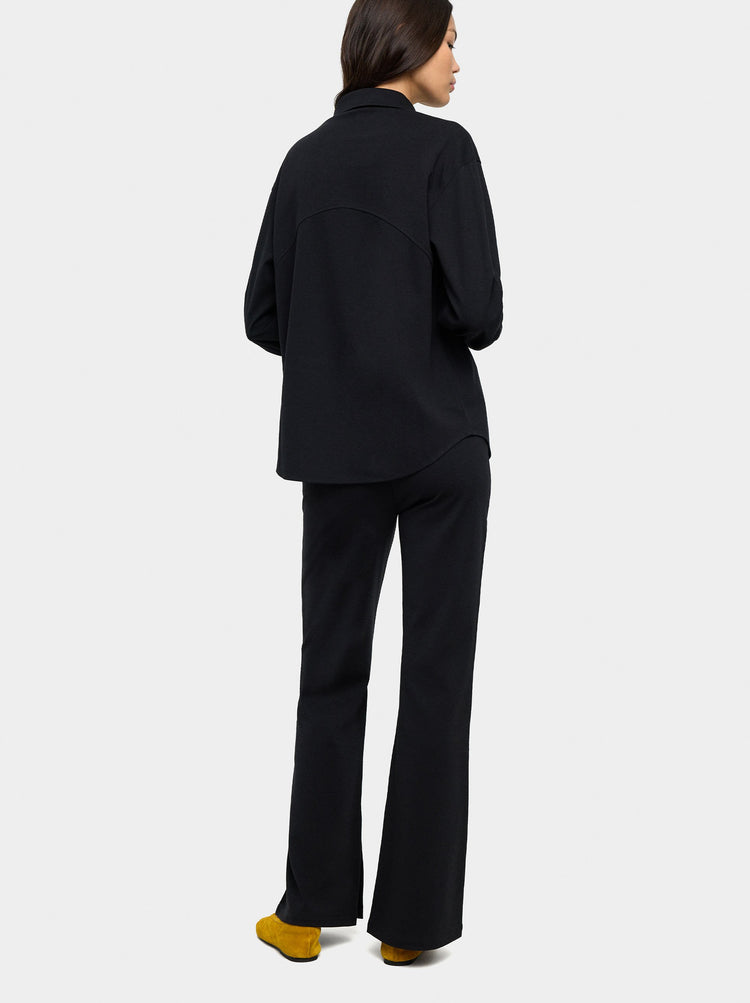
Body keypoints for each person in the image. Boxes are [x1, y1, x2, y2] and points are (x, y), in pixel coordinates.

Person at [243, 0, 503, 966]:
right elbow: (479, 314)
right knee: (436, 676)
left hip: (338, 455)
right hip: (440, 448)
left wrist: (342, 338)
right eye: (451, 41)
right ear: (410, 42)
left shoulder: (302, 162)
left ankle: (307, 911)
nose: (459, 61)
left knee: (330, 670)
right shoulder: (445, 152)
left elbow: (262, 313)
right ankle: (410, 927)